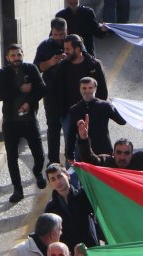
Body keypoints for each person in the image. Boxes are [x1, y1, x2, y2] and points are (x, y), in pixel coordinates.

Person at [0, 43, 47, 204]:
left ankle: (37, 171)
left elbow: (41, 89)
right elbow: (1, 94)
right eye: (13, 56)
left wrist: (29, 103)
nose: (16, 58)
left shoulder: (31, 69)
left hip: (29, 120)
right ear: (7, 58)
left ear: (22, 55)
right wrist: (20, 90)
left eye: (18, 55)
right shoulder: (2, 73)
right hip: (11, 122)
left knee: (38, 153)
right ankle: (17, 189)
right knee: (12, 157)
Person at [53, 35, 108, 164]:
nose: (65, 52)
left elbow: (103, 91)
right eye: (64, 48)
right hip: (69, 114)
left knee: (91, 146)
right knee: (71, 147)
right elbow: (57, 91)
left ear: (78, 49)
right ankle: (72, 181)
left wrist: (99, 108)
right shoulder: (62, 66)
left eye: (68, 49)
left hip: (91, 113)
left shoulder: (94, 64)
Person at [35, 18, 70, 164]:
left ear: (66, 31)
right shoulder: (44, 46)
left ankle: (71, 160)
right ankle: (54, 161)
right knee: (53, 128)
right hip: (52, 93)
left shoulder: (73, 43)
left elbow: (85, 59)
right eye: (56, 35)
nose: (59, 38)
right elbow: (36, 68)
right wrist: (51, 62)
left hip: (70, 92)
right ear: (52, 32)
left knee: (70, 128)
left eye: (62, 34)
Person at [67, 78, 125, 159]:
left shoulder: (105, 106)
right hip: (83, 153)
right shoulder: (74, 109)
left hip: (104, 152)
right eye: (84, 88)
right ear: (80, 89)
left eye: (90, 88)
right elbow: (71, 135)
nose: (87, 91)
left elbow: (122, 121)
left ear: (95, 89)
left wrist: (115, 107)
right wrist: (69, 154)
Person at [77, 116, 143, 171]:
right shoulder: (105, 163)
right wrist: (84, 138)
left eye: (126, 153)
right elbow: (88, 159)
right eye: (119, 152)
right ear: (113, 153)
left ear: (132, 155)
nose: (122, 157)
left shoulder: (141, 163)